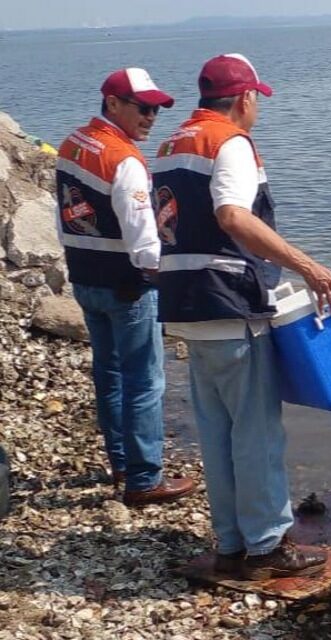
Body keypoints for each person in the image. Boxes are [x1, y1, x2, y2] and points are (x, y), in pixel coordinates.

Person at [152, 53, 331, 580]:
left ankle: (232, 542)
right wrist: (308, 267)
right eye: (257, 99)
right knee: (257, 432)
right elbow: (233, 215)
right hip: (229, 302)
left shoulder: (171, 145)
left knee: (218, 433)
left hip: (187, 306)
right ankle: (266, 546)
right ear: (244, 98)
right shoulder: (229, 142)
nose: (257, 109)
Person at [55, 68, 197, 507]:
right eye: (144, 108)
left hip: (84, 276)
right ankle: (144, 478)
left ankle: (121, 462)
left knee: (109, 371)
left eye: (156, 110)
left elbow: (64, 212)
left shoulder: (72, 144)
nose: (151, 117)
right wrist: (165, 278)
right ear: (113, 103)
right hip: (126, 286)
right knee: (144, 380)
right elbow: (144, 240)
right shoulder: (125, 160)